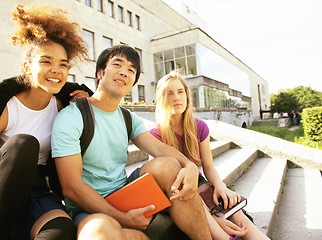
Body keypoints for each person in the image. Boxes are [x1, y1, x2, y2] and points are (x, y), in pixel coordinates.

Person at [51, 45, 212, 240]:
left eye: (131, 70)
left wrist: (190, 166)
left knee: (169, 165)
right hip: (90, 207)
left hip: (125, 195)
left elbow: (159, 148)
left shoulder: (128, 118)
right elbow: (71, 186)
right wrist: (123, 218)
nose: (124, 73)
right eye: (117, 65)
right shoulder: (72, 117)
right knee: (100, 234)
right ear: (100, 73)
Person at [0, 3, 92, 240]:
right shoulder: (7, 107)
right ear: (26, 67)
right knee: (24, 144)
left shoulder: (65, 105)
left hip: (39, 189)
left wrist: (87, 103)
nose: (56, 70)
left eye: (63, 64)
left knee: (61, 231)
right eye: (46, 61)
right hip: (4, 182)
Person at [149, 71, 270, 240]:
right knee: (219, 227)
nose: (176, 97)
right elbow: (165, 181)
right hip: (173, 187)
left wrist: (220, 185)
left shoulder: (199, 127)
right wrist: (214, 218)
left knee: (238, 216)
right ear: (161, 99)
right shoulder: (155, 134)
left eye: (180, 91)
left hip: (197, 181)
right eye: (169, 93)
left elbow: (208, 167)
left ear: (187, 95)